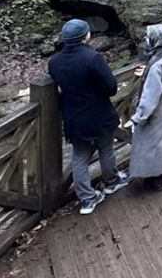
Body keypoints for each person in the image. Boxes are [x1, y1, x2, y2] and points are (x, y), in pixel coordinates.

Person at [47, 19, 129, 215]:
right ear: (86, 36)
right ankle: (111, 181)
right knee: (106, 149)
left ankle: (86, 198)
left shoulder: (54, 62)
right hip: (99, 113)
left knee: (79, 157)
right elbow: (110, 87)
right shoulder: (93, 57)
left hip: (74, 116)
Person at [129, 24, 162, 191]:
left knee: (152, 144)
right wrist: (148, 71)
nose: (146, 39)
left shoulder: (158, 65)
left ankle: (153, 178)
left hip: (157, 113)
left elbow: (150, 97)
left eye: (148, 36)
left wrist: (139, 116)